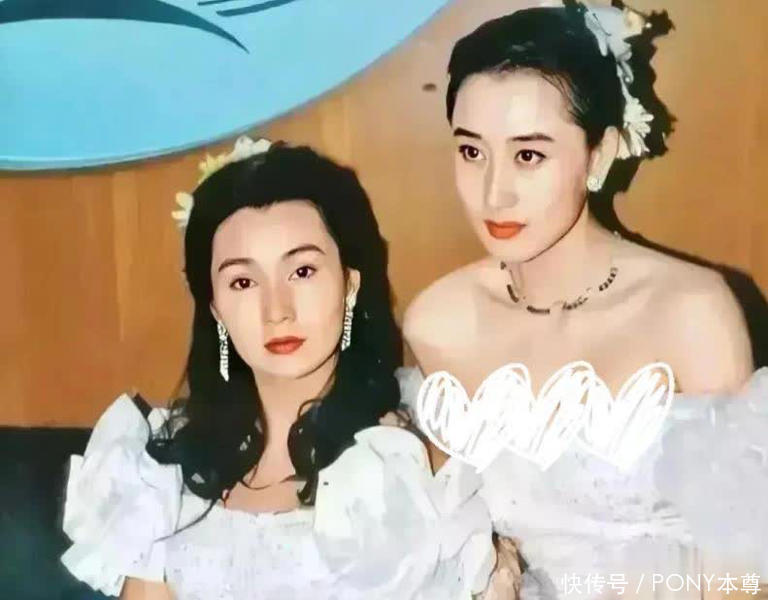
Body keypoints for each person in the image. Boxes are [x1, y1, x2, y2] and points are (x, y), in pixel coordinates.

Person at [401, 2, 767, 598]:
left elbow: (740, 579)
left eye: (528, 155)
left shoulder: (692, 314)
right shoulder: (438, 322)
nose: (494, 193)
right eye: (471, 152)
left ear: (600, 155)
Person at [60, 138, 506, 599]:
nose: (277, 310)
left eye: (302, 272)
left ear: (350, 283)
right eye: (243, 281)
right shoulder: (163, 471)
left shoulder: (415, 458)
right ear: (215, 309)